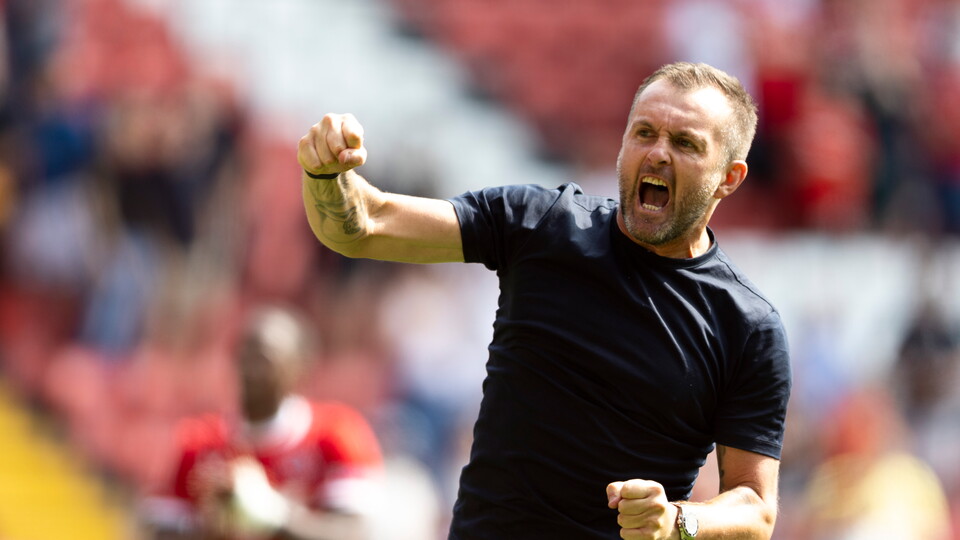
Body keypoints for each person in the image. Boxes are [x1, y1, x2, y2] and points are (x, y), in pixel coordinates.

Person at [297, 62, 791, 539]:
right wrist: (324, 174)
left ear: (729, 177)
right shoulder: (541, 225)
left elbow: (754, 506)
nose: (657, 153)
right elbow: (363, 225)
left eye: (685, 143)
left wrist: (679, 521)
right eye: (643, 133)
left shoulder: (747, 327)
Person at [142, 306, 383, 540]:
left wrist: (276, 517)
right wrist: (218, 521)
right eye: (245, 355)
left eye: (265, 360)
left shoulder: (336, 434)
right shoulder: (199, 443)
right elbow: (160, 527)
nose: (252, 369)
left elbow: (352, 532)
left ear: (299, 366)